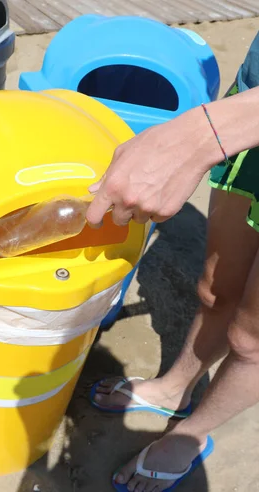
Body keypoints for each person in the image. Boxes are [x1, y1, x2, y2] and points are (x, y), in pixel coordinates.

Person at [86, 32, 259, 492]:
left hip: (239, 121)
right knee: (216, 287)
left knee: (251, 339)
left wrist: (204, 134)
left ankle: (189, 434)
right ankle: (174, 390)